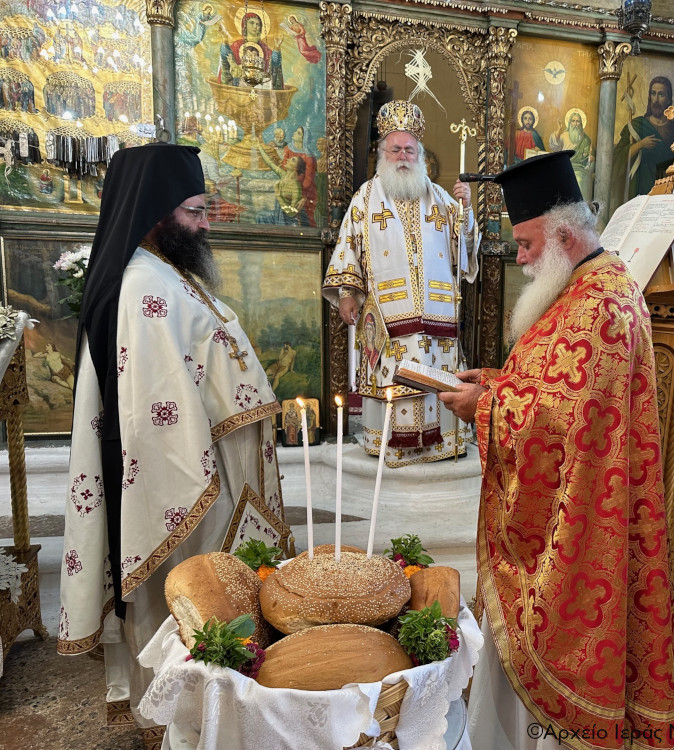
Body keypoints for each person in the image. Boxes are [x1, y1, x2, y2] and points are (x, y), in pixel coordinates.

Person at [440, 151, 674, 748]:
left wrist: (489, 408)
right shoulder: (584, 285)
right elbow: (557, 384)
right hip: (571, 502)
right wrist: (499, 384)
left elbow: (576, 419)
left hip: (582, 524)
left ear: (564, 235)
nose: (520, 259)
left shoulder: (603, 303)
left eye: (525, 245)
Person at [56, 143, 289, 748]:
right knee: (194, 603)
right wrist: (195, 488)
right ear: (158, 212)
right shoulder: (141, 285)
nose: (205, 223)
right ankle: (189, 724)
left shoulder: (169, 273)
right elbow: (156, 414)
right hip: (192, 489)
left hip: (224, 484)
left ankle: (223, 714)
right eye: (193, 211)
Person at [322, 101, 479, 466]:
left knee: (434, 376)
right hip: (387, 313)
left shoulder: (441, 198)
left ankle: (443, 444)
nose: (403, 156)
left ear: (420, 154)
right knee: (395, 373)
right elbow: (349, 245)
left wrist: (466, 210)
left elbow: (465, 252)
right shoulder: (365, 197)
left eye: (410, 149)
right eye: (396, 149)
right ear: (383, 153)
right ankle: (390, 443)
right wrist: (348, 293)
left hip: (437, 312)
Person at [610, 76, 674, 211]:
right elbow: (618, 158)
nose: (656, 100)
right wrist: (640, 144)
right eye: (653, 94)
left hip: (665, 191)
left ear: (669, 99)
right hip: (638, 188)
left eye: (661, 95)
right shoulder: (636, 126)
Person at [548, 108, 594, 201]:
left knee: (579, 183)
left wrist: (590, 158)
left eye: (578, 121)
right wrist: (559, 129)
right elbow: (554, 146)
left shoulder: (586, 139)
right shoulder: (564, 136)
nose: (575, 124)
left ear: (581, 123)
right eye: (573, 121)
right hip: (564, 167)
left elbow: (586, 159)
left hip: (579, 169)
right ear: (569, 123)